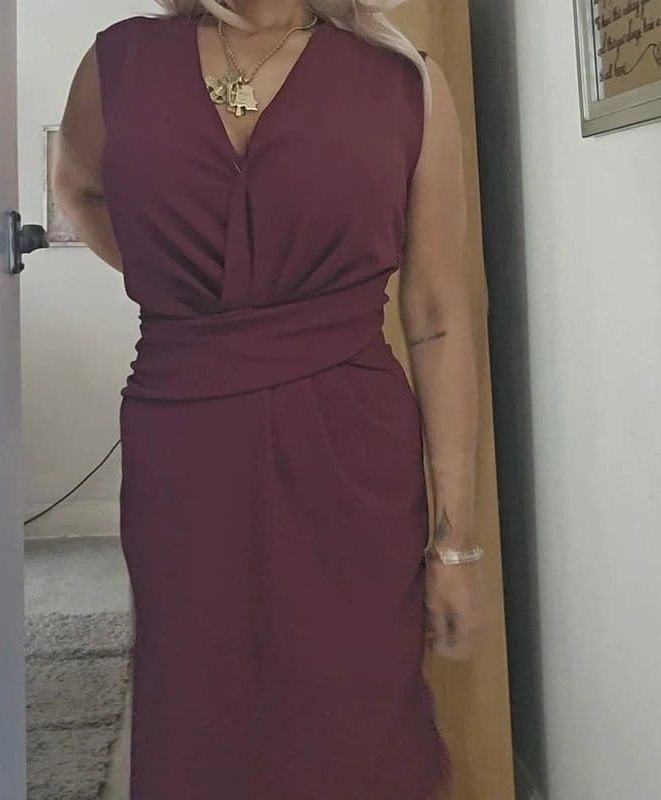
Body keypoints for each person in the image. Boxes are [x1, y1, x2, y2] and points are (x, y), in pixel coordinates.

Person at [54, 1, 487, 797]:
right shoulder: (119, 61)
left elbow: (436, 318)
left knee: (354, 712)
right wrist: (186, 295)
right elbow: (77, 187)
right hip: (184, 440)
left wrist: (454, 547)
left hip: (350, 450)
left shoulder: (404, 81)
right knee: (197, 700)